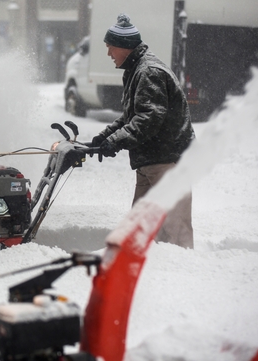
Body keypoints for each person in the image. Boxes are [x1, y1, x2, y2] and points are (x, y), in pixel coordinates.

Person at [89, 14, 195, 248]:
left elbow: (148, 119)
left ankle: (185, 275)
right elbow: (132, 116)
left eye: (110, 48)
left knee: (175, 230)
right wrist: (104, 137)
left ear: (124, 47)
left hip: (168, 161)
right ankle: (150, 274)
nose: (108, 54)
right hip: (151, 161)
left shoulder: (149, 72)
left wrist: (114, 142)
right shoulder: (136, 69)